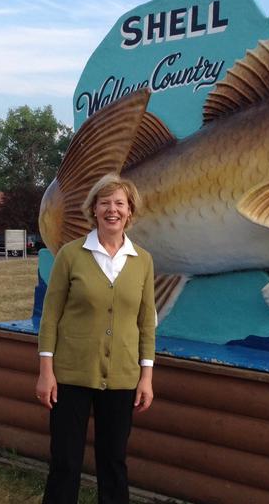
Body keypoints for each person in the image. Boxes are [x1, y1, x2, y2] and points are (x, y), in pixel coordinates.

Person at [36, 173, 156, 504]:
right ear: (94, 209)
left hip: (122, 378)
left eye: (119, 203)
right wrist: (46, 372)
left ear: (129, 211)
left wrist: (146, 377)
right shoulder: (70, 255)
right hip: (70, 375)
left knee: (113, 462)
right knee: (65, 462)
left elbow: (147, 322)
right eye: (105, 203)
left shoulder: (143, 261)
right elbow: (50, 317)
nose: (112, 210)